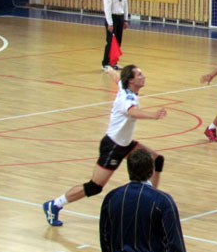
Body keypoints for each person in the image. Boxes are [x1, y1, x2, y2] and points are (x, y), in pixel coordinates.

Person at [43, 65, 167, 226]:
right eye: (139, 75)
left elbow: (118, 79)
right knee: (94, 187)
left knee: (157, 160)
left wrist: (110, 70)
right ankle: (54, 205)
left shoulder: (124, 86)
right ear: (131, 80)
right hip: (113, 147)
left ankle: (151, 203)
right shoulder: (127, 98)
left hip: (126, 144)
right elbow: (132, 112)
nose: (143, 77)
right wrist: (154, 115)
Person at [100, 148, 192, 252]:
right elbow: (174, 242)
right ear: (152, 171)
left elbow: (105, 236)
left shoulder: (112, 197)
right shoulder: (162, 201)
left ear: (128, 170)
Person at [102, 0, 129, 71]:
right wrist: (110, 23)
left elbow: (125, 6)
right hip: (112, 18)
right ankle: (105, 64)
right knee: (110, 42)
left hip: (120, 17)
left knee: (118, 42)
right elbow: (107, 9)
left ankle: (114, 63)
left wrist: (125, 19)